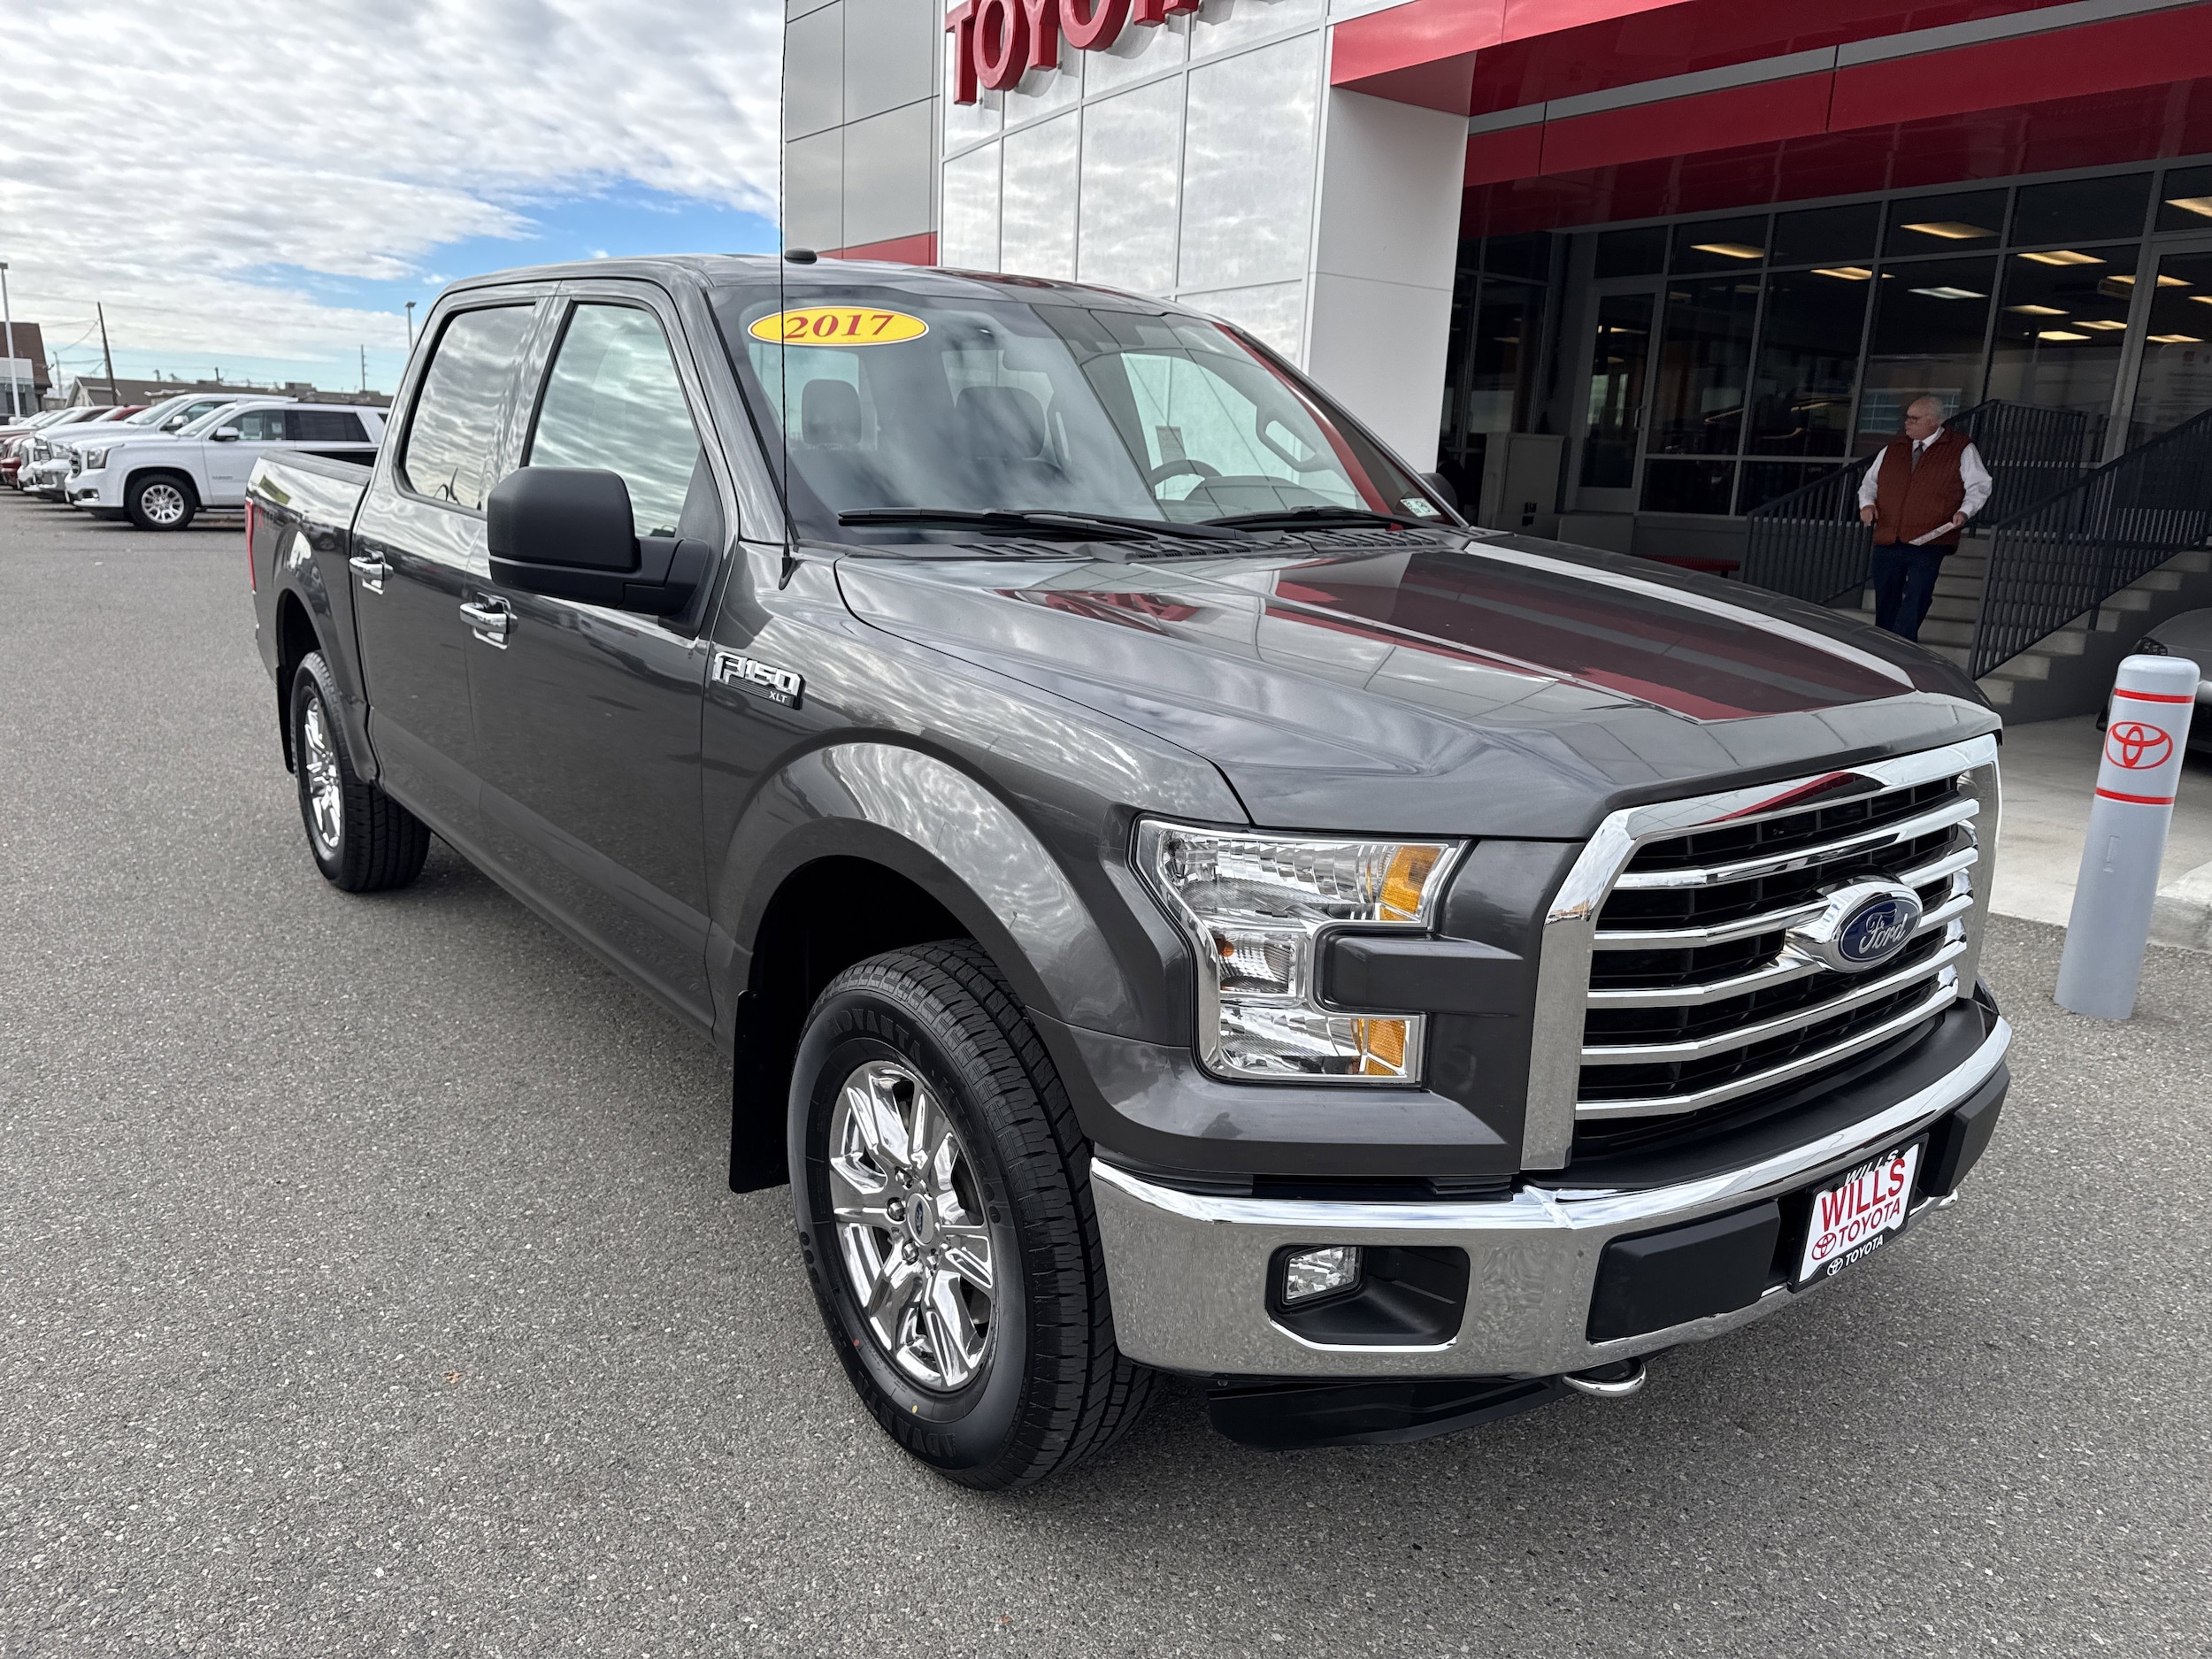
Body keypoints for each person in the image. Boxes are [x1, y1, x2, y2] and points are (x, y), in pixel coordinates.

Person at [1855, 396, 1993, 642]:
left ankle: (1903, 643)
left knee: (1919, 592)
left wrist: (1965, 511)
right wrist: (1867, 504)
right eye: (1907, 417)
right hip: (1889, 533)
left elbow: (1980, 485)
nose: (1907, 423)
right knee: (1887, 593)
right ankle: (1886, 643)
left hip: (1931, 537)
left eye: (1914, 418)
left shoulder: (1960, 448)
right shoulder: (1894, 447)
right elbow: (1869, 482)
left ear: (1934, 421)